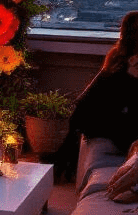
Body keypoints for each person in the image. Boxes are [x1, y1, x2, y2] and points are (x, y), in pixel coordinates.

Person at [55, 10, 138, 189]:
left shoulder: (117, 58)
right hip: (99, 123)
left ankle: (61, 164)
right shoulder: (123, 66)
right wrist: (131, 79)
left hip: (92, 121)